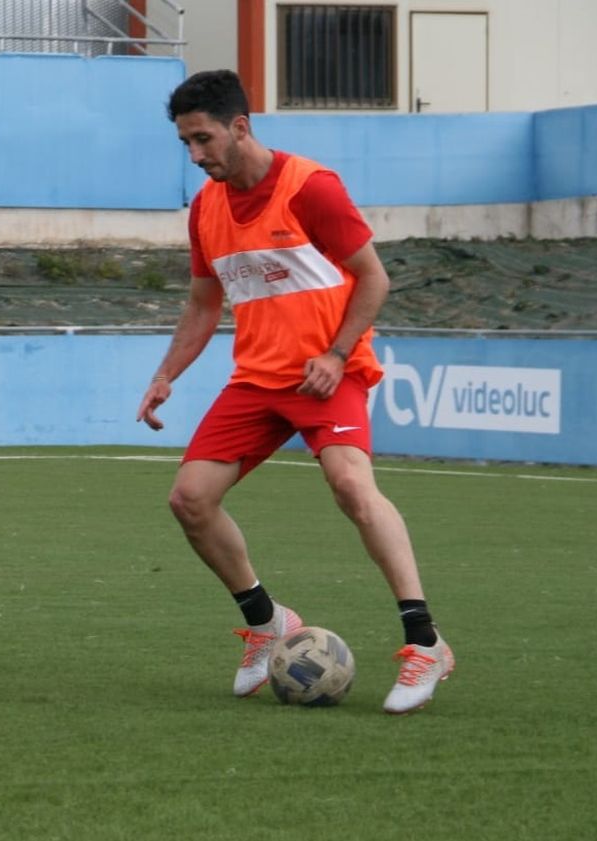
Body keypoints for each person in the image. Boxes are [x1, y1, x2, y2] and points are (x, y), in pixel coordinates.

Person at [136, 70, 454, 714]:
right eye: (186, 144)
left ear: (240, 127)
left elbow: (374, 279)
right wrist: (167, 373)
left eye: (203, 139)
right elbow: (204, 303)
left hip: (325, 373)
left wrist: (337, 356)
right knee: (190, 501)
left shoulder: (312, 188)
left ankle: (426, 642)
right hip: (256, 380)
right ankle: (266, 623)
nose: (196, 156)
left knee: (351, 488)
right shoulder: (206, 209)